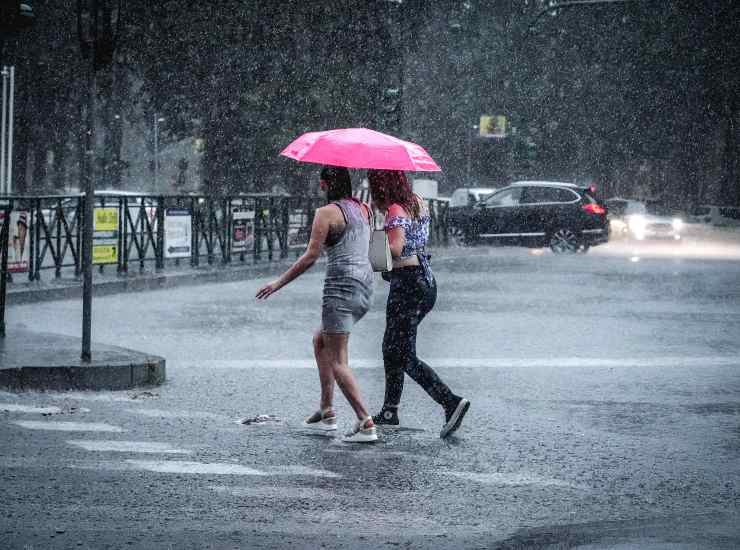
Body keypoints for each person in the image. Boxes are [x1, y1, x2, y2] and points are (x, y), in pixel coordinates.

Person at [256, 165, 378, 443]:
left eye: (320, 183)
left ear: (324, 185)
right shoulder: (364, 210)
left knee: (338, 360)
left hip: (340, 289)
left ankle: (365, 421)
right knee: (320, 340)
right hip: (365, 288)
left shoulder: (325, 214)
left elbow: (311, 257)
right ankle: (326, 411)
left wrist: (277, 284)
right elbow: (374, 249)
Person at [368, 169, 470, 439]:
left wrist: (374, 243)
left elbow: (397, 248)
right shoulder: (417, 202)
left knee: (402, 353)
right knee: (392, 347)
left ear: (381, 186)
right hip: (424, 282)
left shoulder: (395, 209)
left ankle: (450, 401)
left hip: (407, 285)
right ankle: (390, 410)